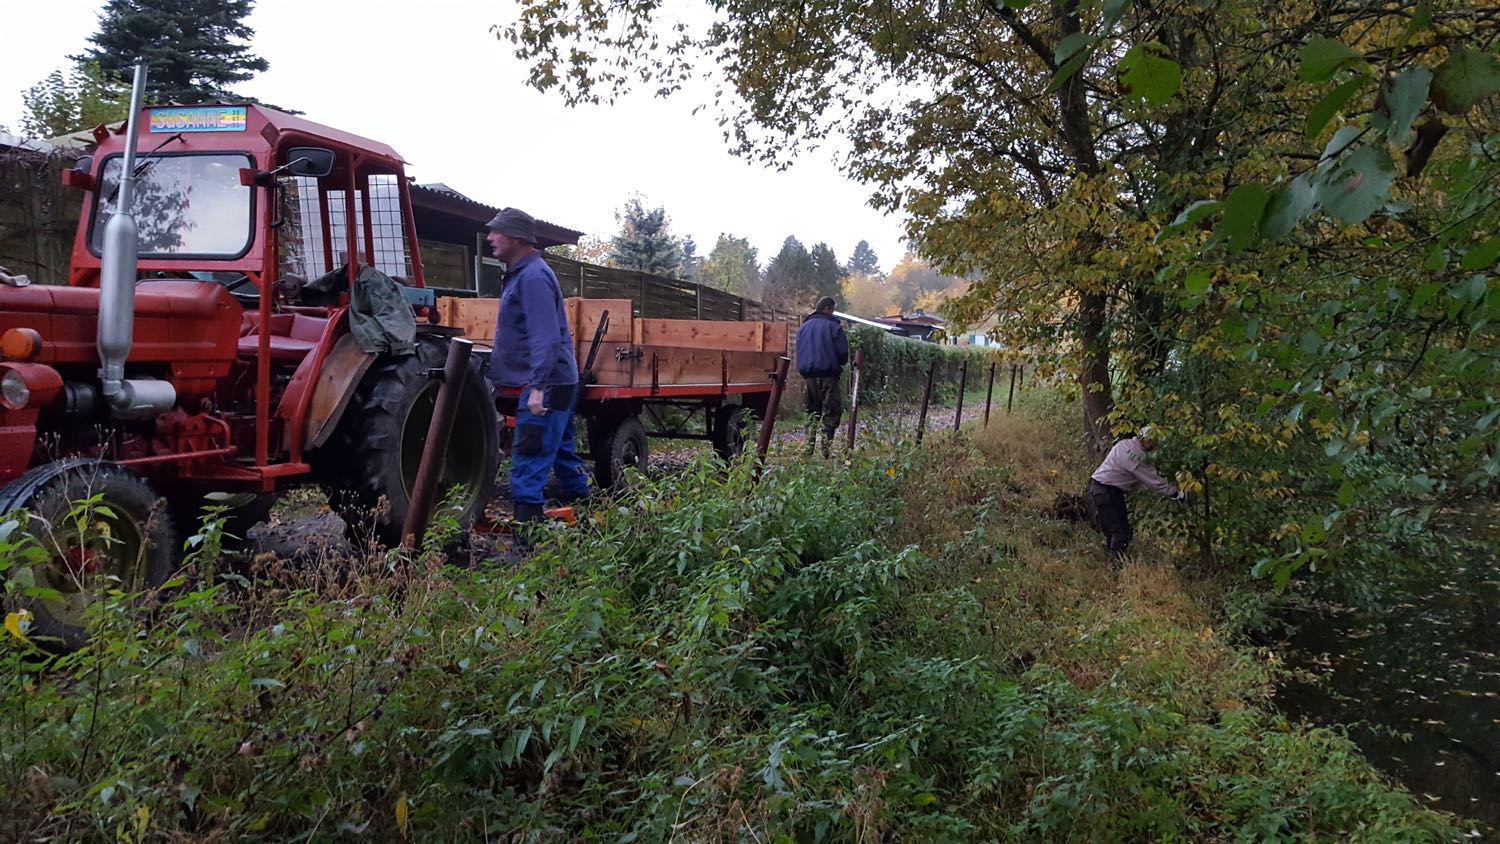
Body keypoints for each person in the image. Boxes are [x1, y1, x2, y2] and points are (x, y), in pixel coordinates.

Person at [484, 207, 591, 548]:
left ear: (517, 237)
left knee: (528, 461)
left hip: (545, 386)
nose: (489, 238)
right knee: (560, 452)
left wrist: (537, 388)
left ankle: (527, 548)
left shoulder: (532, 278)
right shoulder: (523, 274)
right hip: (554, 382)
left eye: (495, 232)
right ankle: (590, 524)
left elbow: (547, 337)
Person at [1087, 425, 1186, 558]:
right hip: (1107, 490)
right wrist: (1177, 494)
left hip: (1099, 487)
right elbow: (1154, 481)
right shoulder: (1136, 457)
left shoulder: (1124, 444)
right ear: (1146, 440)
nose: (1155, 446)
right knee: (1120, 532)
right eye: (1154, 442)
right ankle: (1115, 566)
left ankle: (1110, 559)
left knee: (1113, 530)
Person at [793, 296, 849, 457]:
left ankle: (808, 448)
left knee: (811, 412)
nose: (833, 313)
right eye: (832, 309)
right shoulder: (834, 327)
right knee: (831, 411)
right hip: (829, 375)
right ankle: (826, 448)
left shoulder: (803, 328)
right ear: (826, 308)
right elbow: (843, 354)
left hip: (808, 377)